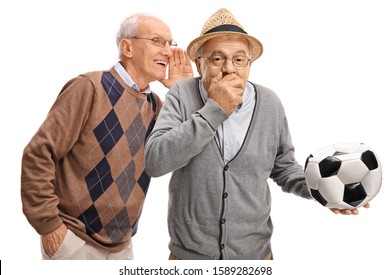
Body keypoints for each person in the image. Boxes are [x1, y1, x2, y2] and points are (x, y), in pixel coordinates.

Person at [144, 8, 369, 260]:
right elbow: (155, 161)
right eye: (217, 59)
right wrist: (214, 110)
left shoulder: (270, 103)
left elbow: (283, 167)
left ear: (249, 64)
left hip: (256, 257)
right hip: (189, 259)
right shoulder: (181, 95)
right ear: (199, 63)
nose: (229, 69)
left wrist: (324, 190)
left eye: (239, 60)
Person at [21, 13, 193, 260]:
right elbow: (38, 154)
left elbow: (182, 152)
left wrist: (181, 92)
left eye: (170, 43)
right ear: (127, 47)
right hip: (74, 241)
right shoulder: (89, 87)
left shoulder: (156, 106)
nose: (168, 52)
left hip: (122, 245)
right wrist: (49, 226)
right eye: (158, 41)